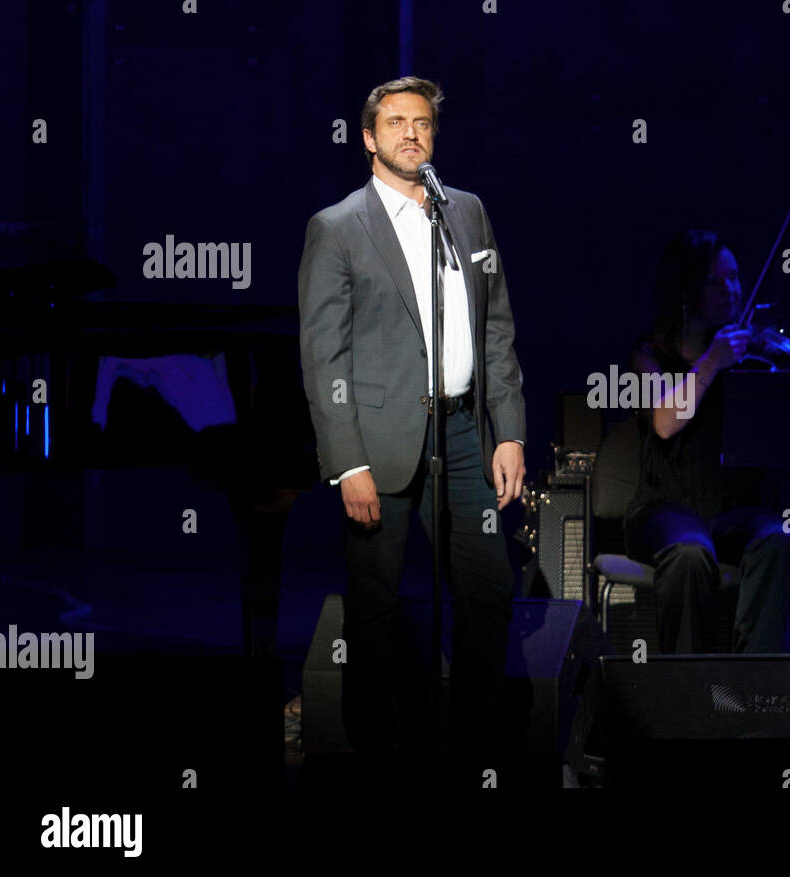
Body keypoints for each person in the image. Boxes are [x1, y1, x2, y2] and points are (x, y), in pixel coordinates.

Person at [298, 76, 527, 782]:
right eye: (395, 122)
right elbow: (322, 352)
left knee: (488, 590)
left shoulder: (468, 213)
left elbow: (495, 327)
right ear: (368, 137)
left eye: (422, 122)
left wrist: (509, 430)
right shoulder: (337, 227)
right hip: (380, 439)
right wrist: (346, 463)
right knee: (376, 605)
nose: (411, 133)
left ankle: (470, 754)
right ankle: (377, 758)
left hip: (461, 434)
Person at [623, 229, 790, 654]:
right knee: (689, 553)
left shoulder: (745, 354)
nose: (732, 290)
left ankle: (752, 685)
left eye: (736, 278)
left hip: (730, 510)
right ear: (685, 291)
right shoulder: (649, 355)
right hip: (665, 508)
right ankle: (689, 690)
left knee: (777, 539)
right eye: (717, 281)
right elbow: (665, 422)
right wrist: (711, 363)